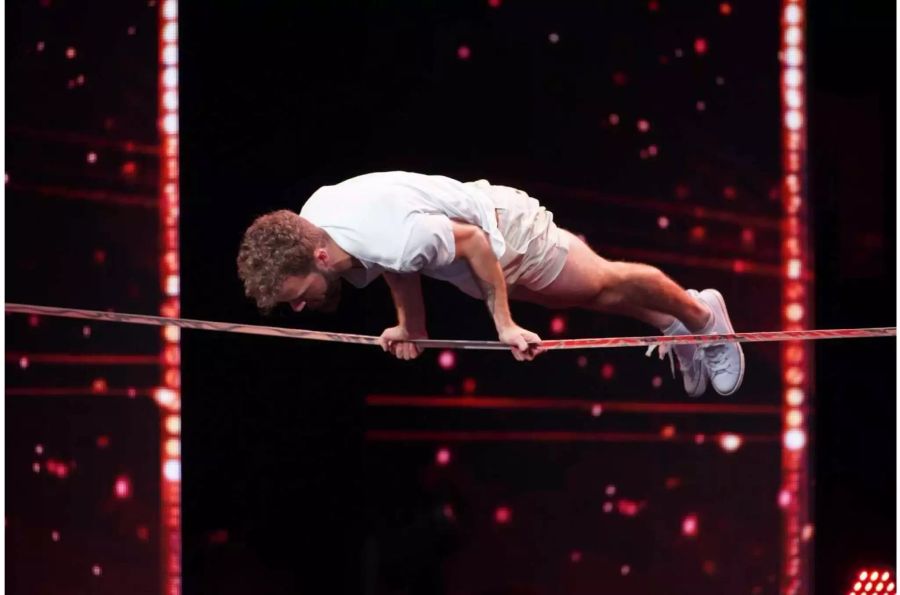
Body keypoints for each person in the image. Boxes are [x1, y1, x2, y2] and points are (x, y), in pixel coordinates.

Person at [237, 171, 744, 396]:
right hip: (466, 252)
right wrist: (411, 325)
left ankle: (704, 317)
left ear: (319, 256)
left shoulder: (390, 237)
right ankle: (673, 321)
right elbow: (393, 258)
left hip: (502, 231)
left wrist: (503, 325)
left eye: (296, 295)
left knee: (601, 285)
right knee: (589, 290)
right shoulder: (315, 220)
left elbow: (473, 243)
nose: (300, 307)